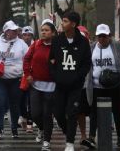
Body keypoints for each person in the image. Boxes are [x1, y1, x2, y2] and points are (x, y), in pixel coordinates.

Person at [49, 11, 91, 151]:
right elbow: (51, 60)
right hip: (60, 85)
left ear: (73, 24)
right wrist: (56, 76)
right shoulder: (57, 40)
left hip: (75, 86)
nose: (62, 23)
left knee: (72, 112)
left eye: (65, 21)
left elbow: (86, 63)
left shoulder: (83, 42)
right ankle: (69, 133)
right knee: (58, 113)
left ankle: (70, 143)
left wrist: (78, 77)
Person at [86, 24, 120, 147]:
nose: (102, 39)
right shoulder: (92, 47)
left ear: (109, 36)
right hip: (97, 86)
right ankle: (92, 137)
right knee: (94, 112)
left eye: (104, 36)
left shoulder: (118, 46)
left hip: (114, 86)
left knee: (117, 111)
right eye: (99, 36)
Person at [0, 20, 29, 139]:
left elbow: (28, 59)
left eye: (16, 30)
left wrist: (25, 73)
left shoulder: (21, 44)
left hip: (15, 79)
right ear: (6, 31)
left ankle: (14, 128)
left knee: (14, 104)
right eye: (12, 30)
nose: (16, 32)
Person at [23, 20, 57, 151]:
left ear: (53, 33)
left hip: (52, 86)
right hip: (36, 84)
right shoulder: (36, 44)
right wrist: (28, 74)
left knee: (47, 114)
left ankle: (47, 142)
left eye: (47, 30)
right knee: (36, 114)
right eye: (42, 30)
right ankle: (42, 129)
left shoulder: (58, 46)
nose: (43, 32)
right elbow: (26, 59)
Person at [20, 25, 35, 132]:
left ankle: (30, 121)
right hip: (20, 76)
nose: (27, 37)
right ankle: (24, 117)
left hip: (31, 76)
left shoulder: (36, 45)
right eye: (24, 35)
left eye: (29, 35)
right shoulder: (18, 45)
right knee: (20, 100)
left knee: (30, 100)